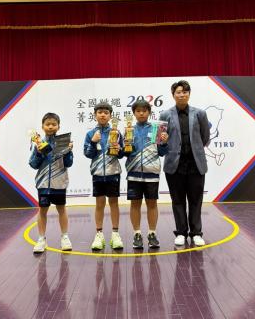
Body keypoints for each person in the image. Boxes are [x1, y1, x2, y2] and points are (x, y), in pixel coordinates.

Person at [159, 80, 210, 247]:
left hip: (196, 164)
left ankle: (196, 233)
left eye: (185, 92)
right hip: (174, 165)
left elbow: (205, 138)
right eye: (178, 92)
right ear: (173, 95)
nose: (182, 95)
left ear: (189, 94)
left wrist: (195, 149)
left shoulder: (200, 114)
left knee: (196, 200)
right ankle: (181, 232)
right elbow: (159, 141)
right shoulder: (165, 115)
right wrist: (163, 141)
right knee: (178, 200)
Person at [123, 100, 169, 249]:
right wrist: (124, 147)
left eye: (144, 110)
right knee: (135, 204)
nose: (141, 113)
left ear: (149, 112)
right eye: (138, 111)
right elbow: (125, 153)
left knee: (152, 204)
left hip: (151, 172)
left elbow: (162, 152)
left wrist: (164, 143)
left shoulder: (157, 129)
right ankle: (137, 234)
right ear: (134, 113)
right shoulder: (129, 130)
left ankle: (152, 233)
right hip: (134, 172)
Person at [29, 112, 74, 253]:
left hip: (59, 182)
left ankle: (65, 237)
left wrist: (68, 151)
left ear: (58, 126)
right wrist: (38, 152)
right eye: (47, 124)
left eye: (54, 124)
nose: (50, 127)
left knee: (61, 208)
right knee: (42, 210)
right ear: (42, 126)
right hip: (43, 183)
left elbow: (69, 163)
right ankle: (41, 239)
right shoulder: (38, 143)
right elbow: (33, 164)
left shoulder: (64, 142)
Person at [83, 102, 125, 250]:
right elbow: (88, 154)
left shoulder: (116, 132)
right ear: (95, 115)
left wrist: (119, 149)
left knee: (114, 203)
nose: (102, 115)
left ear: (110, 116)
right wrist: (93, 142)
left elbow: (121, 154)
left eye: (106, 113)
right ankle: (99, 234)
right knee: (99, 204)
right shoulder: (90, 134)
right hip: (98, 173)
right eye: (100, 112)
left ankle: (115, 234)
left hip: (113, 173)